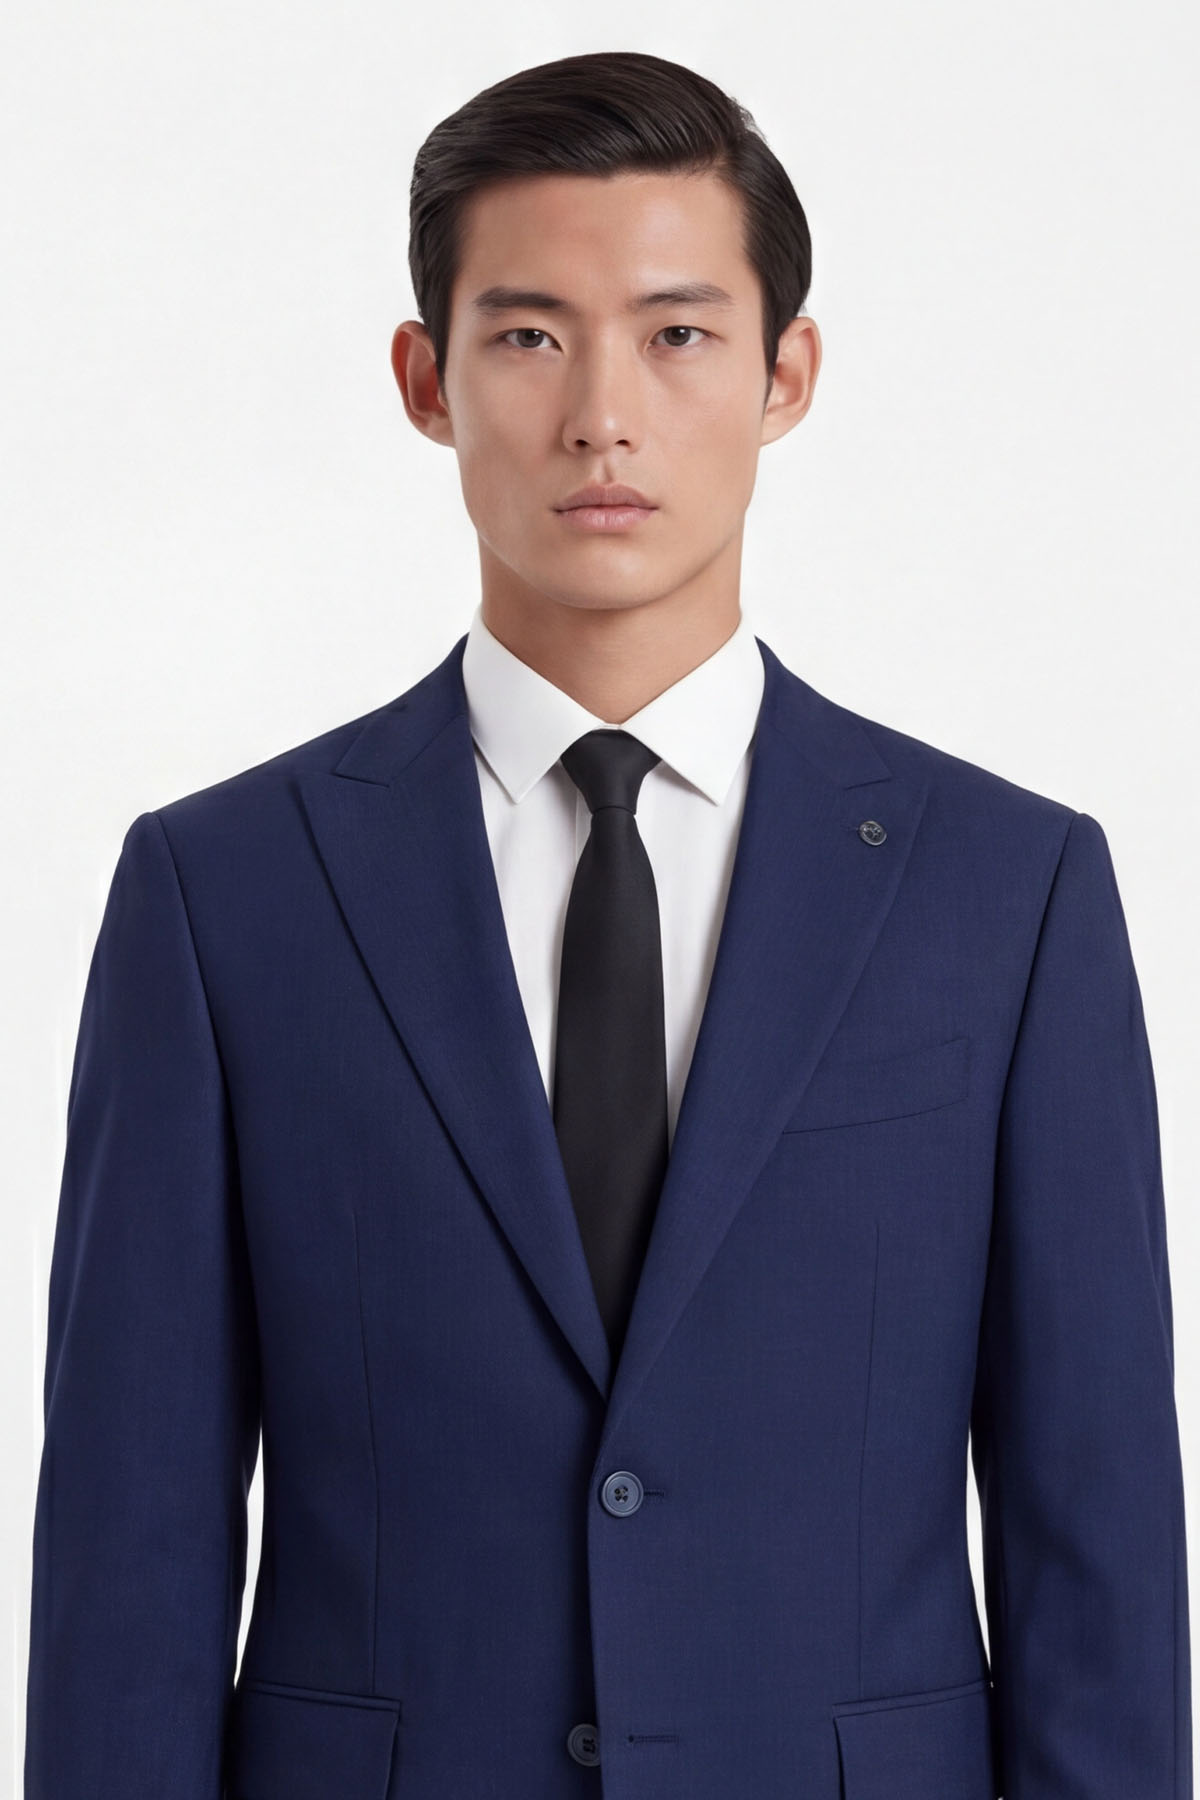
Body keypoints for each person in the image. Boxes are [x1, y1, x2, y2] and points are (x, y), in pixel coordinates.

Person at [24, 49, 1190, 1800]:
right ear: (425, 381)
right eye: (527, 335)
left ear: (788, 374)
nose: (601, 416)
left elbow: (1097, 1545)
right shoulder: (224, 896)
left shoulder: (1008, 894)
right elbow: (130, 1549)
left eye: (678, 333)